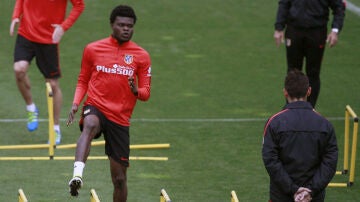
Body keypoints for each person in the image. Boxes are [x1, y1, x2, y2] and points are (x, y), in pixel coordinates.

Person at [66, 5, 152, 201]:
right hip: (96, 105)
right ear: (112, 25)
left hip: (120, 118)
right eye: (121, 25)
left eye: (129, 26)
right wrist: (76, 103)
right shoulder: (93, 49)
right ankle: (77, 175)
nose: (126, 29)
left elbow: (146, 93)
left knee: (120, 179)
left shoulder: (141, 56)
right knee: (90, 124)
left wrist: (135, 90)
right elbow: (83, 79)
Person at [9, 0, 85, 144]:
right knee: (19, 69)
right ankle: (31, 108)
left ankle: (55, 128)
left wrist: (63, 27)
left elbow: (79, 5)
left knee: (53, 85)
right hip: (26, 33)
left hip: (48, 38)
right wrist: (16, 16)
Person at [262, 70, 338, 202]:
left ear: (285, 92)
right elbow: (330, 162)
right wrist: (311, 190)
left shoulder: (274, 123)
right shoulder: (325, 125)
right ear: (309, 91)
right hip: (313, 198)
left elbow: (270, 160)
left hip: (281, 197)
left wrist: (293, 189)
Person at [273, 0, 345, 108]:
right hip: (294, 30)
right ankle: (290, 108)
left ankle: (310, 109)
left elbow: (339, 6)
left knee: (313, 72)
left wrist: (335, 30)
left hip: (317, 32)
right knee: (292, 72)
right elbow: (284, 3)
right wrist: (279, 27)